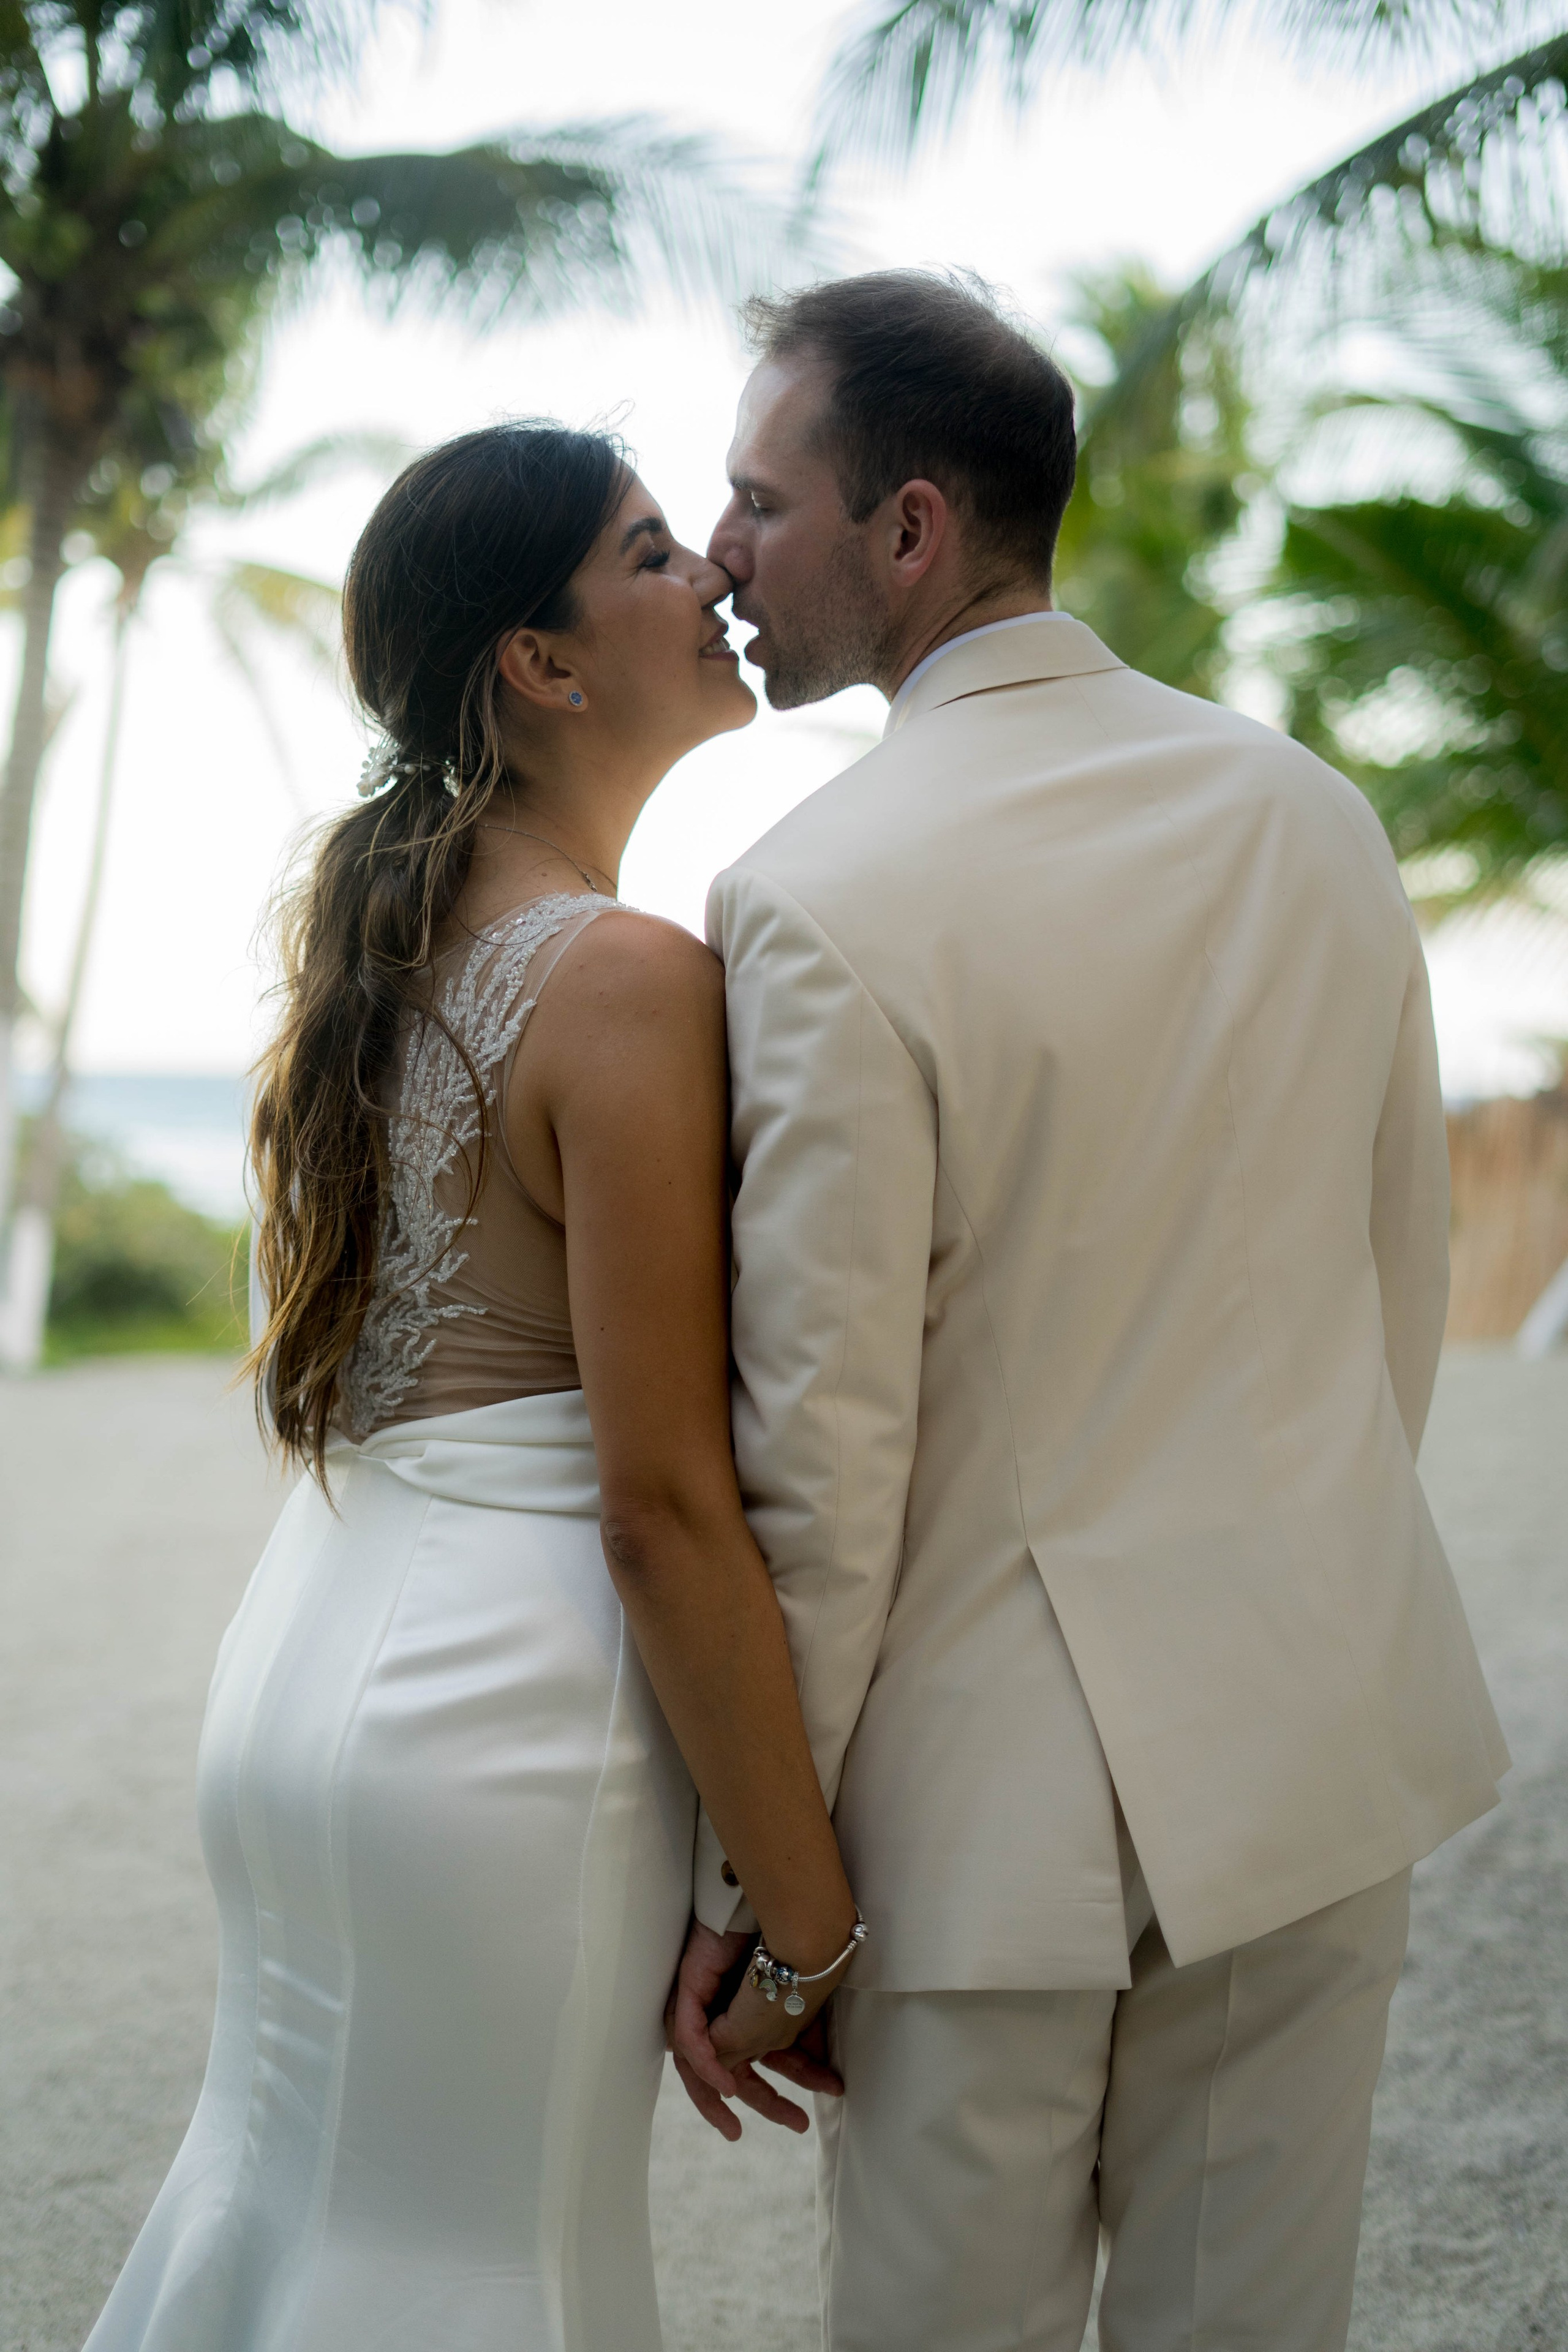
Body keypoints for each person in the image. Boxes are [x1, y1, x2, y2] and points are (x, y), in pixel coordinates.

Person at [671, 272, 1510, 2352]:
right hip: (1316, 1748)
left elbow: (823, 1463)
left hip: (985, 1836)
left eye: (758, 503)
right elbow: (1392, 1296)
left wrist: (762, 1897)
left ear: (915, 530)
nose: (720, 560)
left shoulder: (818, 896)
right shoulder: (1314, 817)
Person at [81, 421, 861, 2352]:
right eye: (659, 550)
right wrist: (809, 1919)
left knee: (295, 2199)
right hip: (497, 1725)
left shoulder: (388, 949)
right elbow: (663, 1504)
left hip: (310, 1669)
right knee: (487, 2266)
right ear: (544, 659)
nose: (716, 583)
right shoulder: (622, 977)